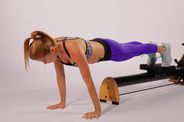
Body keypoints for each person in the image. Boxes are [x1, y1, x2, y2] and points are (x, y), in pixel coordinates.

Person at [23, 31, 172, 120]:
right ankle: (151, 48)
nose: (44, 63)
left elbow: (88, 82)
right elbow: (60, 77)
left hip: (109, 50)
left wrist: (97, 110)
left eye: (44, 60)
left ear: (52, 50)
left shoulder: (73, 50)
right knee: (129, 48)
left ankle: (162, 48)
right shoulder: (54, 52)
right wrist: (62, 102)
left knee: (128, 51)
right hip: (97, 44)